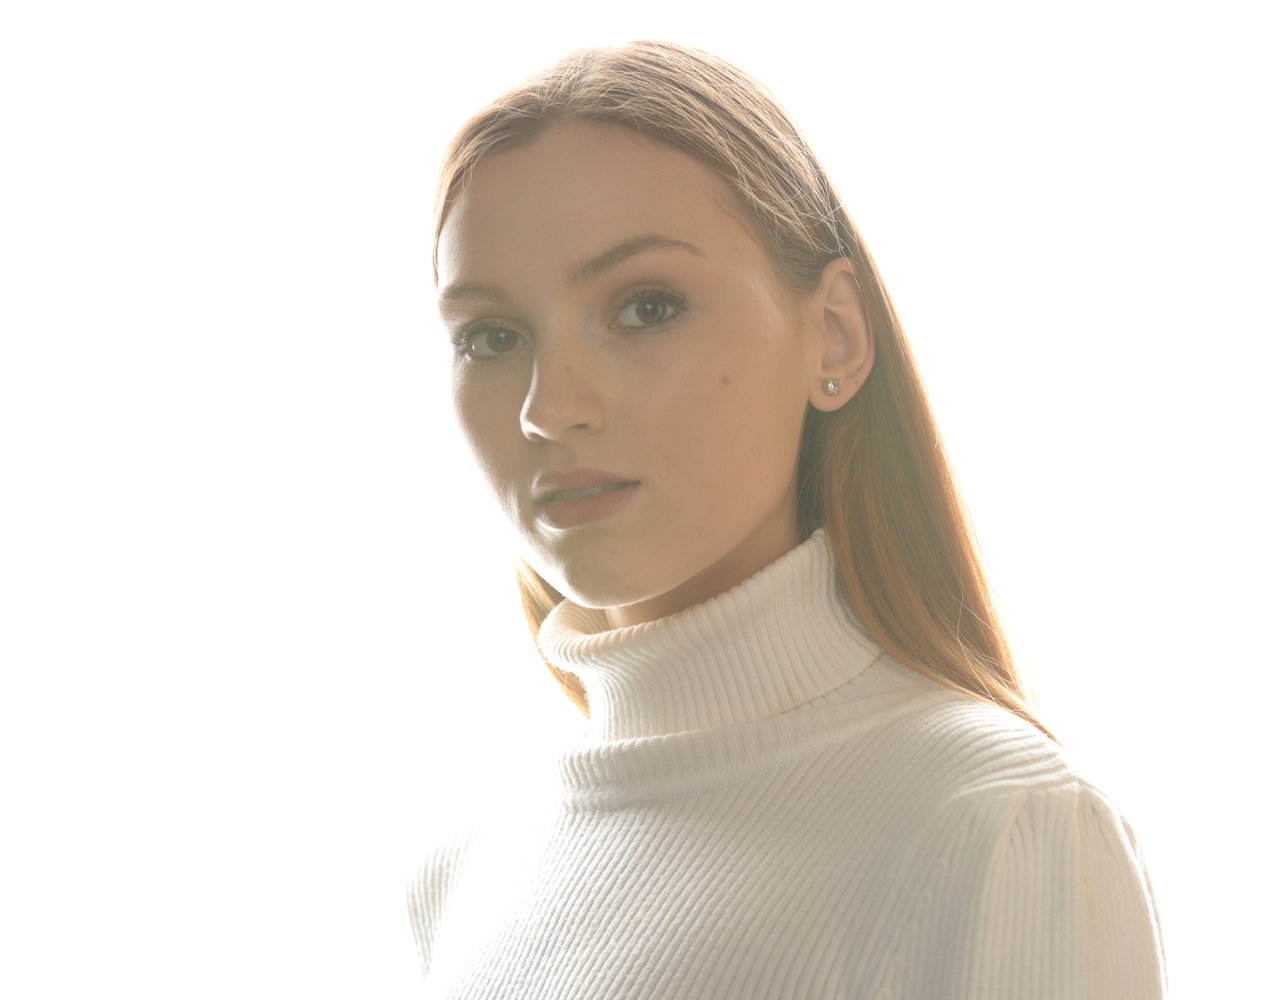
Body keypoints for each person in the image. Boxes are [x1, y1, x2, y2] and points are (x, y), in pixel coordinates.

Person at [409, 40, 1166, 999]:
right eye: (492, 337)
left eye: (647, 307)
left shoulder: (1001, 825)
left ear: (835, 334)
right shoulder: (464, 868)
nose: (549, 409)